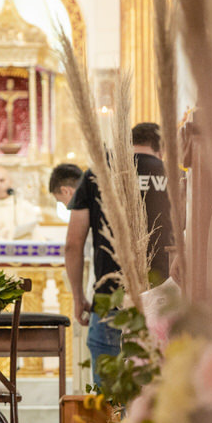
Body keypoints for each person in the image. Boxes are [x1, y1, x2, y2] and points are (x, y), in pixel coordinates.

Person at [65, 122, 173, 383]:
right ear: (162, 149)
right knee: (155, 398)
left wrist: (79, 297)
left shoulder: (96, 174)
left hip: (110, 298)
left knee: (111, 402)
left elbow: (73, 243)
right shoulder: (171, 173)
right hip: (161, 299)